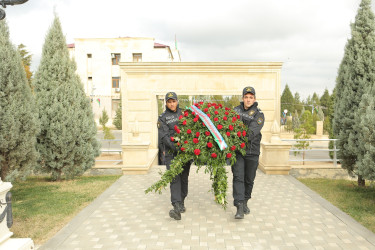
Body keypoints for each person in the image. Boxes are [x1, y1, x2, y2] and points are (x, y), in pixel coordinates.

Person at [157, 92, 192, 220]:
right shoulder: (162, 118)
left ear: (177, 101)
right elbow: (164, 136)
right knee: (174, 178)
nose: (172, 104)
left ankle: (182, 200)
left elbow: (191, 130)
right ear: (166, 103)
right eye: (169, 102)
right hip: (172, 153)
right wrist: (176, 147)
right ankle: (176, 206)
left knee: (183, 178)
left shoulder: (185, 114)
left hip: (185, 153)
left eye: (174, 101)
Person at [232, 86, 265, 219]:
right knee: (238, 177)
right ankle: (239, 206)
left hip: (252, 152)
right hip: (238, 152)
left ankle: (245, 201)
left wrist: (235, 134)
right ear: (243, 98)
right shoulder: (235, 111)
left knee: (249, 179)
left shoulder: (259, 114)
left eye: (251, 97)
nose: (248, 100)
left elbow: (251, 132)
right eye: (246, 97)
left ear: (254, 99)